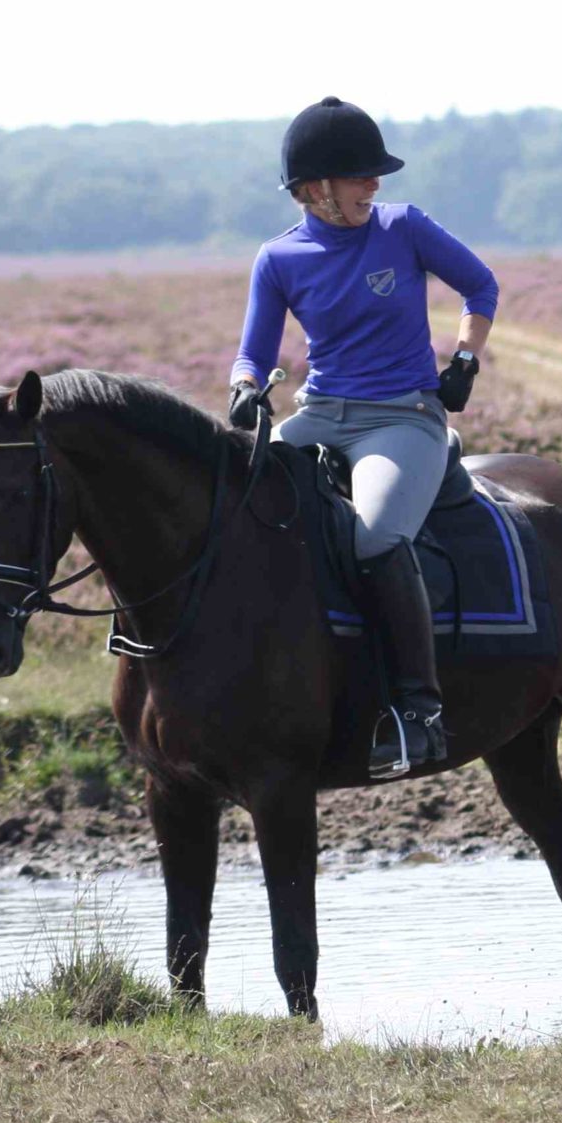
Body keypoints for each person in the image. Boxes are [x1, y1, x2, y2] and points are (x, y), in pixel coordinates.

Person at [227, 96, 499, 775]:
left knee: (374, 537)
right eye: (360, 176)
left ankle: (419, 711)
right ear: (315, 189)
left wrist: (463, 360)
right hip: (321, 413)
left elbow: (481, 285)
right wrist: (243, 387)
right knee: (233, 514)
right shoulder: (278, 258)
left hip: (402, 418)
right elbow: (254, 352)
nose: (375, 186)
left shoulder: (404, 227)